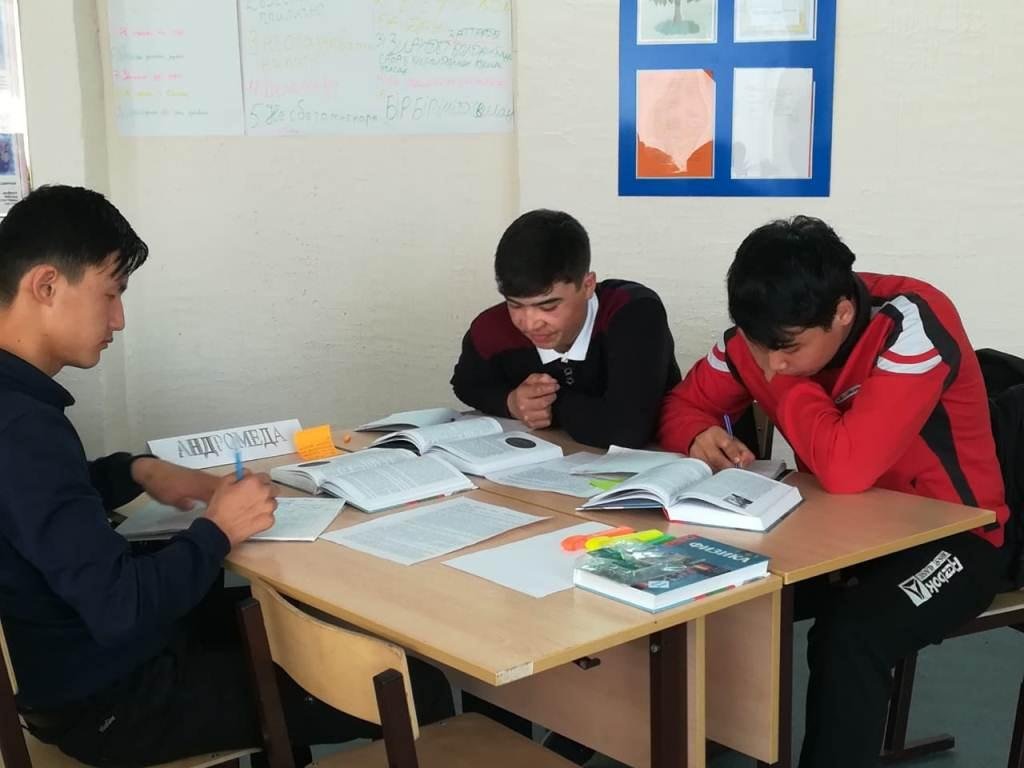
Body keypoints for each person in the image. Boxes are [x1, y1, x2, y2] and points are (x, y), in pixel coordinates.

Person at [0, 185, 452, 767]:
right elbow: (120, 605)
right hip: (113, 699)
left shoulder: (16, 409)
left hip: (74, 667)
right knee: (415, 686)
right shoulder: (24, 428)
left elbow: (37, 501)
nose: (119, 319)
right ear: (46, 285)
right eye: (111, 293)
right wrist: (218, 529)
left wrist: (134, 470)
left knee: (279, 622)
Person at [659, 215, 1009, 768]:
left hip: (962, 539)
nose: (771, 362)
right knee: (709, 590)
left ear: (843, 313)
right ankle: (689, 737)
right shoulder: (770, 330)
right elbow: (682, 404)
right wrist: (696, 433)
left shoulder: (911, 323)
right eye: (758, 346)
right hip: (841, 536)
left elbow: (847, 469)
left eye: (788, 349)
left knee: (850, 637)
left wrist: (786, 383)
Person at [451, 208, 680, 448]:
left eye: (548, 306)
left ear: (588, 286)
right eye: (515, 304)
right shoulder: (492, 327)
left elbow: (626, 430)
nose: (530, 323)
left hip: (650, 461)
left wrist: (552, 403)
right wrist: (511, 402)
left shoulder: (633, 313)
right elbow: (466, 384)